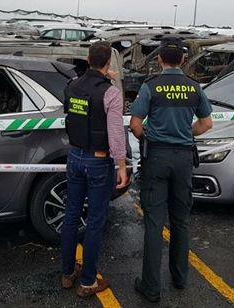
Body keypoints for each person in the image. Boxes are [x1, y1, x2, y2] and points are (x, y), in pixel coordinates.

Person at [129, 37, 213, 302]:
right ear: (184, 60)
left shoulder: (150, 87)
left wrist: (149, 138)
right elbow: (206, 123)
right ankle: (180, 278)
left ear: (160, 59)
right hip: (183, 159)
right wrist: (185, 133)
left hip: (157, 157)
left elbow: (135, 124)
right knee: (181, 221)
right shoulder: (193, 87)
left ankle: (151, 287)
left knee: (154, 223)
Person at [60, 41, 129, 297]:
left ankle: (67, 274)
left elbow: (79, 105)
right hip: (98, 162)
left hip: (74, 157)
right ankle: (88, 281)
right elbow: (115, 135)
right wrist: (122, 166)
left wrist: (99, 78)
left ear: (88, 60)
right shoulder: (111, 93)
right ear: (109, 63)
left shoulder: (72, 85)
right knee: (95, 222)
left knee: (70, 215)